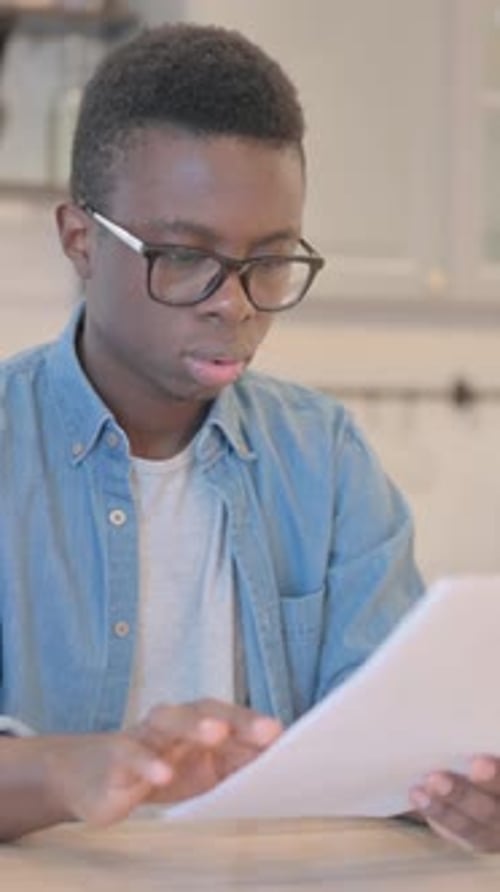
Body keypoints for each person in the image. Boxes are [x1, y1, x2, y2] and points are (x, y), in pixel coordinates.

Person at [0, 22, 497, 852]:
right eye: (184, 256)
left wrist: (457, 790)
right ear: (82, 242)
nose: (232, 303)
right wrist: (60, 769)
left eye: (269, 261)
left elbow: (391, 745)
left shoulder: (324, 458)